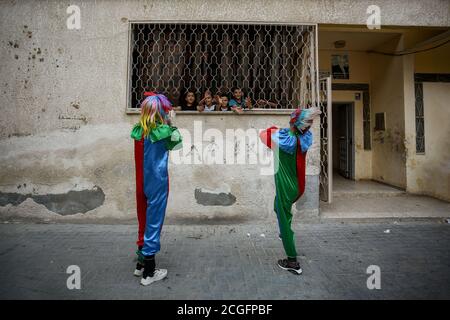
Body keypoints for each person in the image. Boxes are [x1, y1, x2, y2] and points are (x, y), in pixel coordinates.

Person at [259, 107, 321, 275]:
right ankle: (284, 232)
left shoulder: (282, 139)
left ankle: (292, 261)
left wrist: (279, 129)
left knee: (284, 220)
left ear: (292, 122)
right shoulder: (304, 139)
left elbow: (263, 134)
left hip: (285, 187)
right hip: (296, 185)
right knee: (277, 208)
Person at [131, 92, 183, 286]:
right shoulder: (163, 131)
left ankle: (140, 264)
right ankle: (149, 273)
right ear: (161, 112)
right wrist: (170, 123)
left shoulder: (138, 131)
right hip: (157, 184)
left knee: (143, 221)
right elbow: (177, 143)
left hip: (140, 185)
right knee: (153, 224)